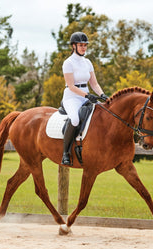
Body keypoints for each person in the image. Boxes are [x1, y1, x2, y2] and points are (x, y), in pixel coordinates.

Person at [61, 31, 108, 165]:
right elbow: (70, 86)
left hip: (86, 96)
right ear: (74, 46)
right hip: (72, 97)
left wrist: (102, 95)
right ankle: (65, 153)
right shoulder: (68, 63)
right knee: (75, 119)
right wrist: (87, 95)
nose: (83, 47)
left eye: (85, 45)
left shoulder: (87, 62)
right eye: (81, 45)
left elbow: (94, 83)